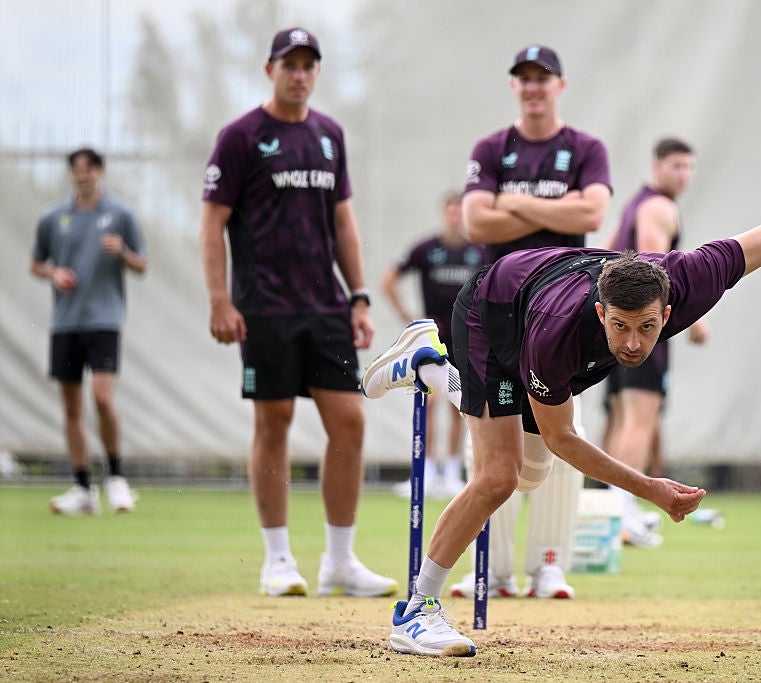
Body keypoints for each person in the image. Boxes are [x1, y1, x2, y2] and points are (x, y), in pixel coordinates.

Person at [362, 122, 761, 656]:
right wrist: (650, 489)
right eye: (619, 326)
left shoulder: (692, 275)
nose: (631, 344)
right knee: (499, 476)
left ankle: (432, 369)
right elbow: (565, 439)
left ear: (669, 311)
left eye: (647, 327)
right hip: (493, 313)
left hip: (536, 291)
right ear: (601, 312)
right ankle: (416, 611)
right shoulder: (559, 337)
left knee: (530, 476)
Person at [199, 27, 396, 599]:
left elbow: (342, 222)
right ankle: (278, 559)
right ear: (270, 70)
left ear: (316, 71)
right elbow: (212, 224)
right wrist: (219, 298)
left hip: (326, 306)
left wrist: (358, 294)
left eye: (310, 64)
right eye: (290, 63)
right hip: (263, 307)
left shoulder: (329, 136)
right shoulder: (240, 137)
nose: (300, 73)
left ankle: (339, 561)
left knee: (351, 423)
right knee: (274, 421)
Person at [453, 44, 613, 601]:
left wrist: (513, 202)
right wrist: (552, 207)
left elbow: (591, 214)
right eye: (523, 78)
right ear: (514, 86)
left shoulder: (585, 148)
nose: (533, 86)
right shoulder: (492, 147)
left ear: (559, 86)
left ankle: (549, 566)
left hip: (564, 308)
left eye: (543, 78)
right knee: (494, 440)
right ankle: (492, 572)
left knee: (562, 432)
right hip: (495, 309)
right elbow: (475, 222)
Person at [602, 137, 709, 547]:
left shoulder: (634, 203)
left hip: (613, 328)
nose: (683, 174)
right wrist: (693, 319)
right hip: (641, 329)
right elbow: (654, 268)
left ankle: (613, 512)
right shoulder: (659, 207)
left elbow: (609, 254)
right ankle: (623, 513)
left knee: (620, 417)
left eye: (689, 167)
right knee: (639, 420)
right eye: (675, 166)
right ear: (656, 166)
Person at [31, 147, 147, 516]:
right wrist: (54, 273)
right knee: (70, 406)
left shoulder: (120, 214)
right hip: (65, 323)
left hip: (104, 321)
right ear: (71, 174)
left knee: (102, 398)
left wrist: (122, 252)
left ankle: (115, 478)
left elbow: (142, 263)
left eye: (90, 168)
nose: (83, 175)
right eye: (77, 169)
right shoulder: (54, 217)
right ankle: (83, 488)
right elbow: (37, 262)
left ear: (101, 172)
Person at [381, 192, 486, 499]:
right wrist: (408, 317)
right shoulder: (427, 249)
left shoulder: (478, 252)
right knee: (428, 401)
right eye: (450, 211)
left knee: (460, 403)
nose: (455, 216)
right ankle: (424, 471)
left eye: (460, 211)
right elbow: (388, 280)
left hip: (465, 337)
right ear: (444, 213)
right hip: (433, 338)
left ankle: (452, 472)